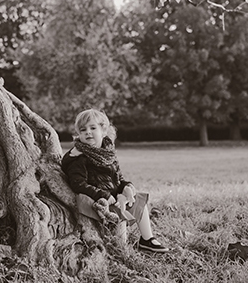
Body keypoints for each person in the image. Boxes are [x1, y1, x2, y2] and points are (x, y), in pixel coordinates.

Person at [61, 108, 169, 253]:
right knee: (120, 213)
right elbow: (78, 184)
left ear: (103, 131)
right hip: (95, 200)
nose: (87, 132)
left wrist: (126, 188)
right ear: (79, 134)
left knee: (138, 200)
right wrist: (103, 195)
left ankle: (147, 239)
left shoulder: (108, 154)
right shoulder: (79, 157)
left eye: (93, 128)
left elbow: (118, 178)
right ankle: (120, 247)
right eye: (83, 130)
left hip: (112, 196)